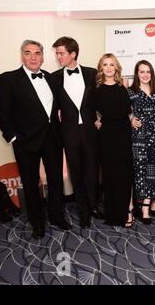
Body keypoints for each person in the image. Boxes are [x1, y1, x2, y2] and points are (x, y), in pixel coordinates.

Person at [0, 40, 71, 239]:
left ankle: (56, 216)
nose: (33, 57)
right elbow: (1, 112)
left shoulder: (50, 78)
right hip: (25, 141)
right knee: (30, 183)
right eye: (28, 53)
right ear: (22, 56)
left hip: (52, 138)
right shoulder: (8, 79)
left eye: (37, 53)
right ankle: (37, 222)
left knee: (55, 180)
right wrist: (13, 137)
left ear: (43, 56)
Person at [52, 36, 102, 229]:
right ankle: (83, 212)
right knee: (77, 174)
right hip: (69, 133)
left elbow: (102, 100)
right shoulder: (54, 78)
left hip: (90, 131)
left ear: (73, 54)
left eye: (61, 53)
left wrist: (102, 118)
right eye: (57, 53)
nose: (58, 57)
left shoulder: (91, 73)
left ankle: (94, 206)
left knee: (92, 173)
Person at [95, 53, 134, 228]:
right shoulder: (96, 89)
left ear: (116, 67)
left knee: (124, 173)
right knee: (109, 174)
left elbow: (129, 109)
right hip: (106, 133)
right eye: (105, 65)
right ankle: (112, 213)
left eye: (112, 64)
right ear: (101, 68)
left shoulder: (123, 86)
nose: (109, 68)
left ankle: (126, 211)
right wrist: (95, 120)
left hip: (123, 131)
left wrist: (125, 88)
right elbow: (92, 110)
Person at [128, 60, 155, 224]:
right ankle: (145, 206)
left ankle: (152, 200)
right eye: (141, 72)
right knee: (143, 169)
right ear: (137, 73)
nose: (145, 75)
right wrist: (130, 118)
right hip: (140, 136)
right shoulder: (130, 92)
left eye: (148, 72)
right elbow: (122, 110)